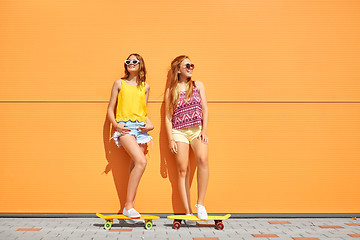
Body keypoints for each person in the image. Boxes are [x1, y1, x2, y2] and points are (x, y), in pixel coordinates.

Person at [107, 53, 154, 219]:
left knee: (135, 166)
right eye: (128, 61)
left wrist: (150, 125)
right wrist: (116, 125)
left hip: (141, 129)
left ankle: (130, 206)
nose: (131, 63)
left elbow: (143, 111)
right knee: (142, 161)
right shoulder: (119, 83)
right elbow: (110, 109)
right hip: (125, 127)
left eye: (135, 61)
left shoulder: (145, 87)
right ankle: (128, 207)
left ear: (141, 65)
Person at [165, 55, 209, 219]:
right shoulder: (171, 91)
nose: (191, 67)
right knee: (183, 170)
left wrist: (204, 130)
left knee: (203, 159)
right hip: (179, 132)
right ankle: (187, 211)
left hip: (197, 130)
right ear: (178, 69)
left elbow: (205, 108)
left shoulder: (198, 85)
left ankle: (201, 204)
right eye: (187, 65)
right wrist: (171, 139)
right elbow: (168, 117)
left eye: (192, 65)